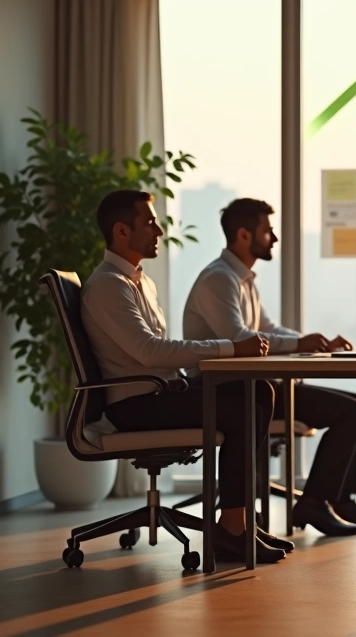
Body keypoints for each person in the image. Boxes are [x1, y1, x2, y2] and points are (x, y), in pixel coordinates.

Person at [80, 189, 287, 563]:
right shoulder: (108, 286)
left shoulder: (141, 282)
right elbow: (149, 351)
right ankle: (232, 530)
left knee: (257, 391)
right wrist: (229, 347)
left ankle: (239, 522)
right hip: (136, 405)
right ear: (121, 231)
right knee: (245, 410)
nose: (159, 230)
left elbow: (158, 352)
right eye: (149, 222)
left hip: (163, 390)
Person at [182, 198, 356, 536]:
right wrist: (298, 344)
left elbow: (269, 329)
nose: (274, 238)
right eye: (268, 231)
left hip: (255, 383)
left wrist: (311, 341)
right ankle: (313, 504)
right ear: (244, 235)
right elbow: (239, 338)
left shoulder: (243, 280)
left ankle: (339, 500)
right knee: (350, 411)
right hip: (228, 388)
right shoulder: (218, 280)